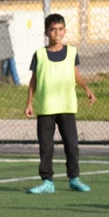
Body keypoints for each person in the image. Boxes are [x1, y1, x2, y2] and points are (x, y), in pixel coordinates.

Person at [24, 14, 96, 194]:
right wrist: (29, 103)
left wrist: (86, 88)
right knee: (46, 146)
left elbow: (75, 74)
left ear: (64, 31)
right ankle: (47, 181)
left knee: (71, 144)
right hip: (46, 107)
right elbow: (34, 80)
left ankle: (74, 178)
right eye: (53, 29)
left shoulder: (72, 52)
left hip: (66, 106)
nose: (57, 33)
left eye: (60, 29)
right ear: (46, 32)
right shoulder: (39, 54)